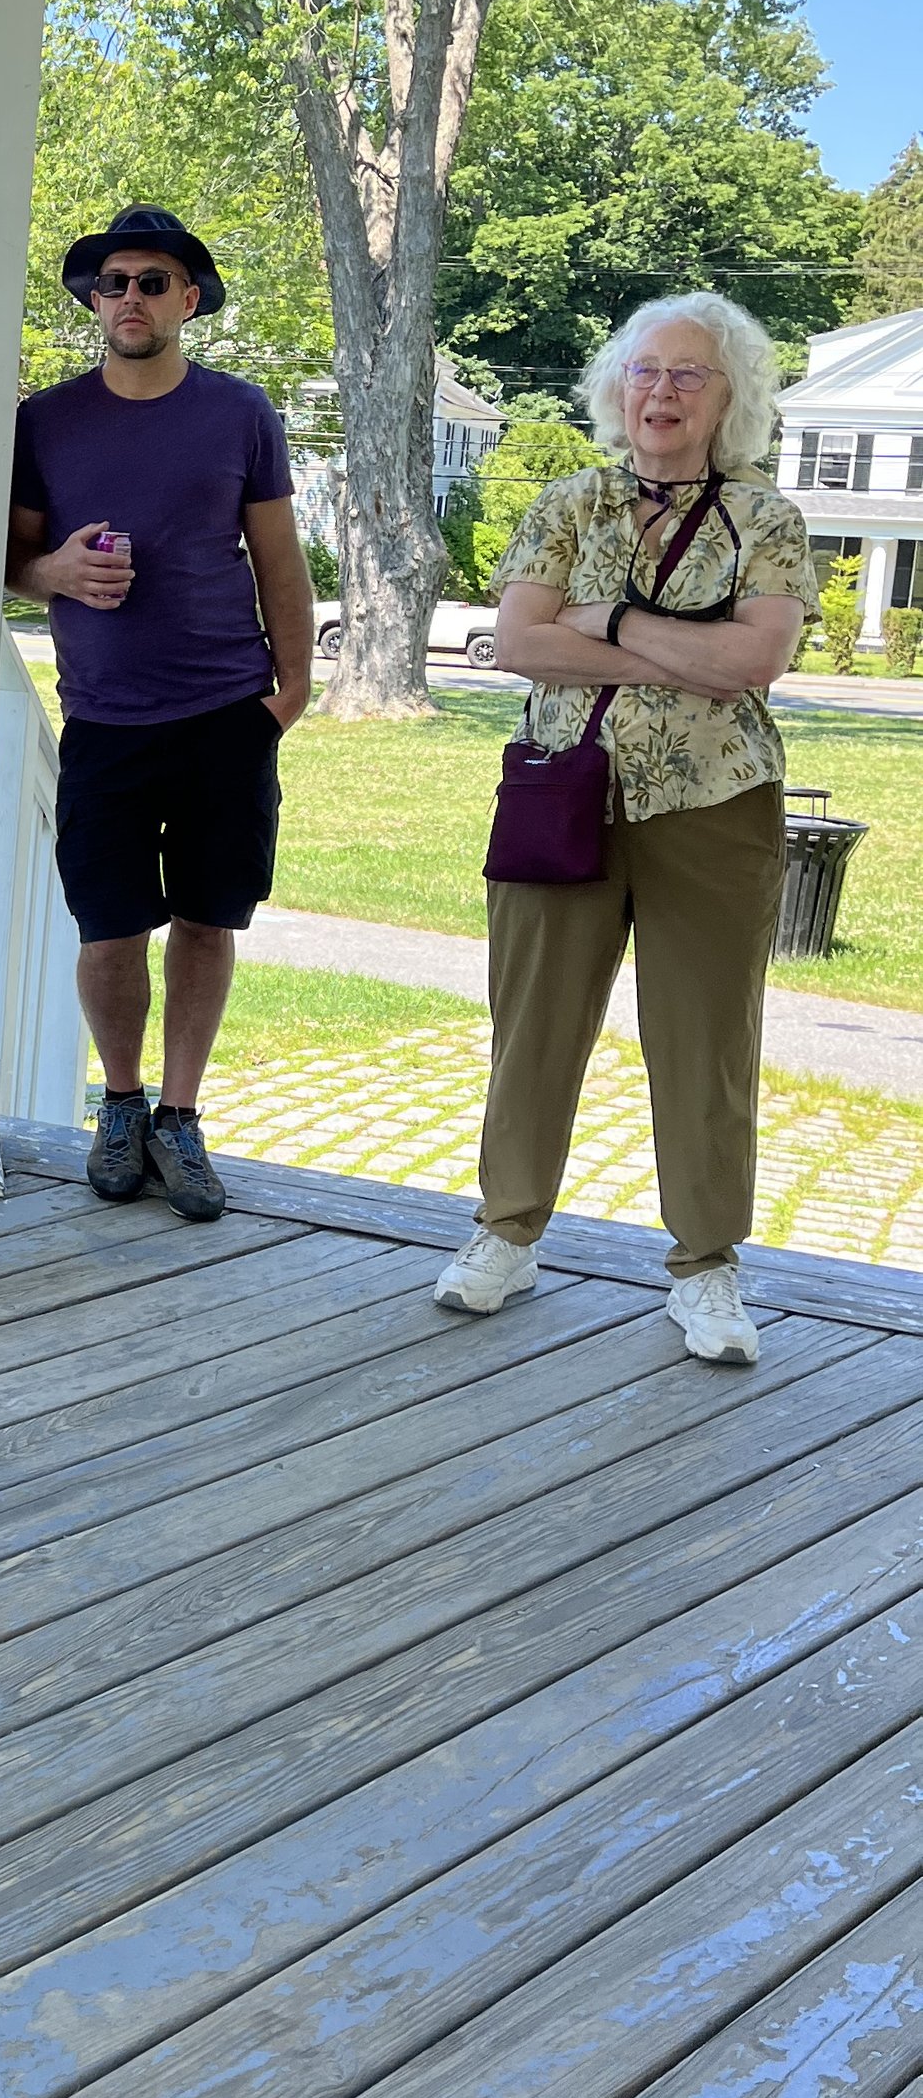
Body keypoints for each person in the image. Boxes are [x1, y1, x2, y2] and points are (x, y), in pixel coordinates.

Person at [435, 293, 816, 1364]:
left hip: (717, 804)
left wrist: (599, 621)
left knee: (706, 1040)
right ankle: (505, 1230)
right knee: (533, 1024)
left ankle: (705, 1267)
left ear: (727, 396)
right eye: (646, 372)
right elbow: (518, 641)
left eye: (689, 375)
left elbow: (755, 663)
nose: (662, 392)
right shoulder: (569, 503)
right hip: (564, 795)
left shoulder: (766, 521)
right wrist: (678, 647)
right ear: (618, 387)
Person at [5, 204, 316, 1219]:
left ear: (188, 300)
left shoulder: (239, 414)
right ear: (93, 301)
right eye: (111, 283)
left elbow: (278, 561)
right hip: (103, 717)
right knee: (107, 930)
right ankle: (121, 1104)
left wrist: (293, 690)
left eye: (150, 282)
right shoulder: (43, 421)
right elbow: (10, 562)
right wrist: (53, 570)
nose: (128, 297)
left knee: (205, 920)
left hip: (227, 710)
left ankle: (180, 1117)